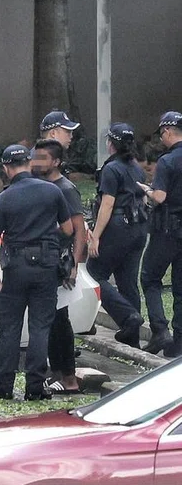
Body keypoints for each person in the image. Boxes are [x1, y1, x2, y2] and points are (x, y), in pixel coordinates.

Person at [0, 145, 74, 401]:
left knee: (10, 328)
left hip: (15, 268)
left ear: (5, 168)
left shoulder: (3, 198)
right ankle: (35, 386)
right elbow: (68, 229)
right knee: (40, 327)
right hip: (46, 266)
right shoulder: (52, 191)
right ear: (29, 163)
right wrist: (48, 240)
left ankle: (4, 386)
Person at [31, 139, 89, 393]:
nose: (36, 162)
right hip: (42, 261)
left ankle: (68, 377)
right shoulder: (38, 186)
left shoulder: (66, 189)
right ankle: (56, 373)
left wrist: (74, 264)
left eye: (42, 158)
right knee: (49, 319)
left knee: (59, 321)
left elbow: (79, 230)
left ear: (56, 162)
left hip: (61, 263)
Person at [85, 124, 147, 349]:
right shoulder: (136, 167)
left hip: (118, 226)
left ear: (111, 143)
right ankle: (132, 336)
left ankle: (128, 317)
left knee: (94, 272)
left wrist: (96, 236)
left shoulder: (111, 169)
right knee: (127, 280)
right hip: (139, 228)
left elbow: (107, 205)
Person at [138, 111, 182, 357]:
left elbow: (160, 197)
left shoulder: (167, 161)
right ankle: (179, 344)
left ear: (166, 132)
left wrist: (147, 189)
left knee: (150, 277)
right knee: (181, 286)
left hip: (167, 230)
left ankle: (159, 330)